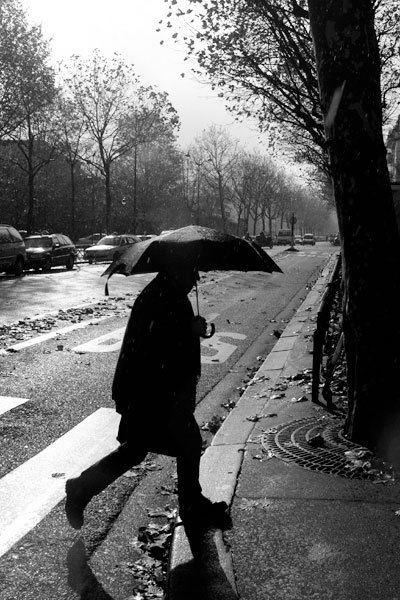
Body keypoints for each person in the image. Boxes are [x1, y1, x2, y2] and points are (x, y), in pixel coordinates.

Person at [65, 265, 230, 536]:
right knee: (184, 443)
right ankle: (191, 505)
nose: (195, 279)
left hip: (154, 389)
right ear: (178, 270)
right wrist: (189, 331)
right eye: (191, 273)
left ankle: (81, 488)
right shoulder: (160, 296)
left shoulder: (167, 291)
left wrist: (192, 331)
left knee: (140, 448)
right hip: (154, 391)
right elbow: (158, 344)